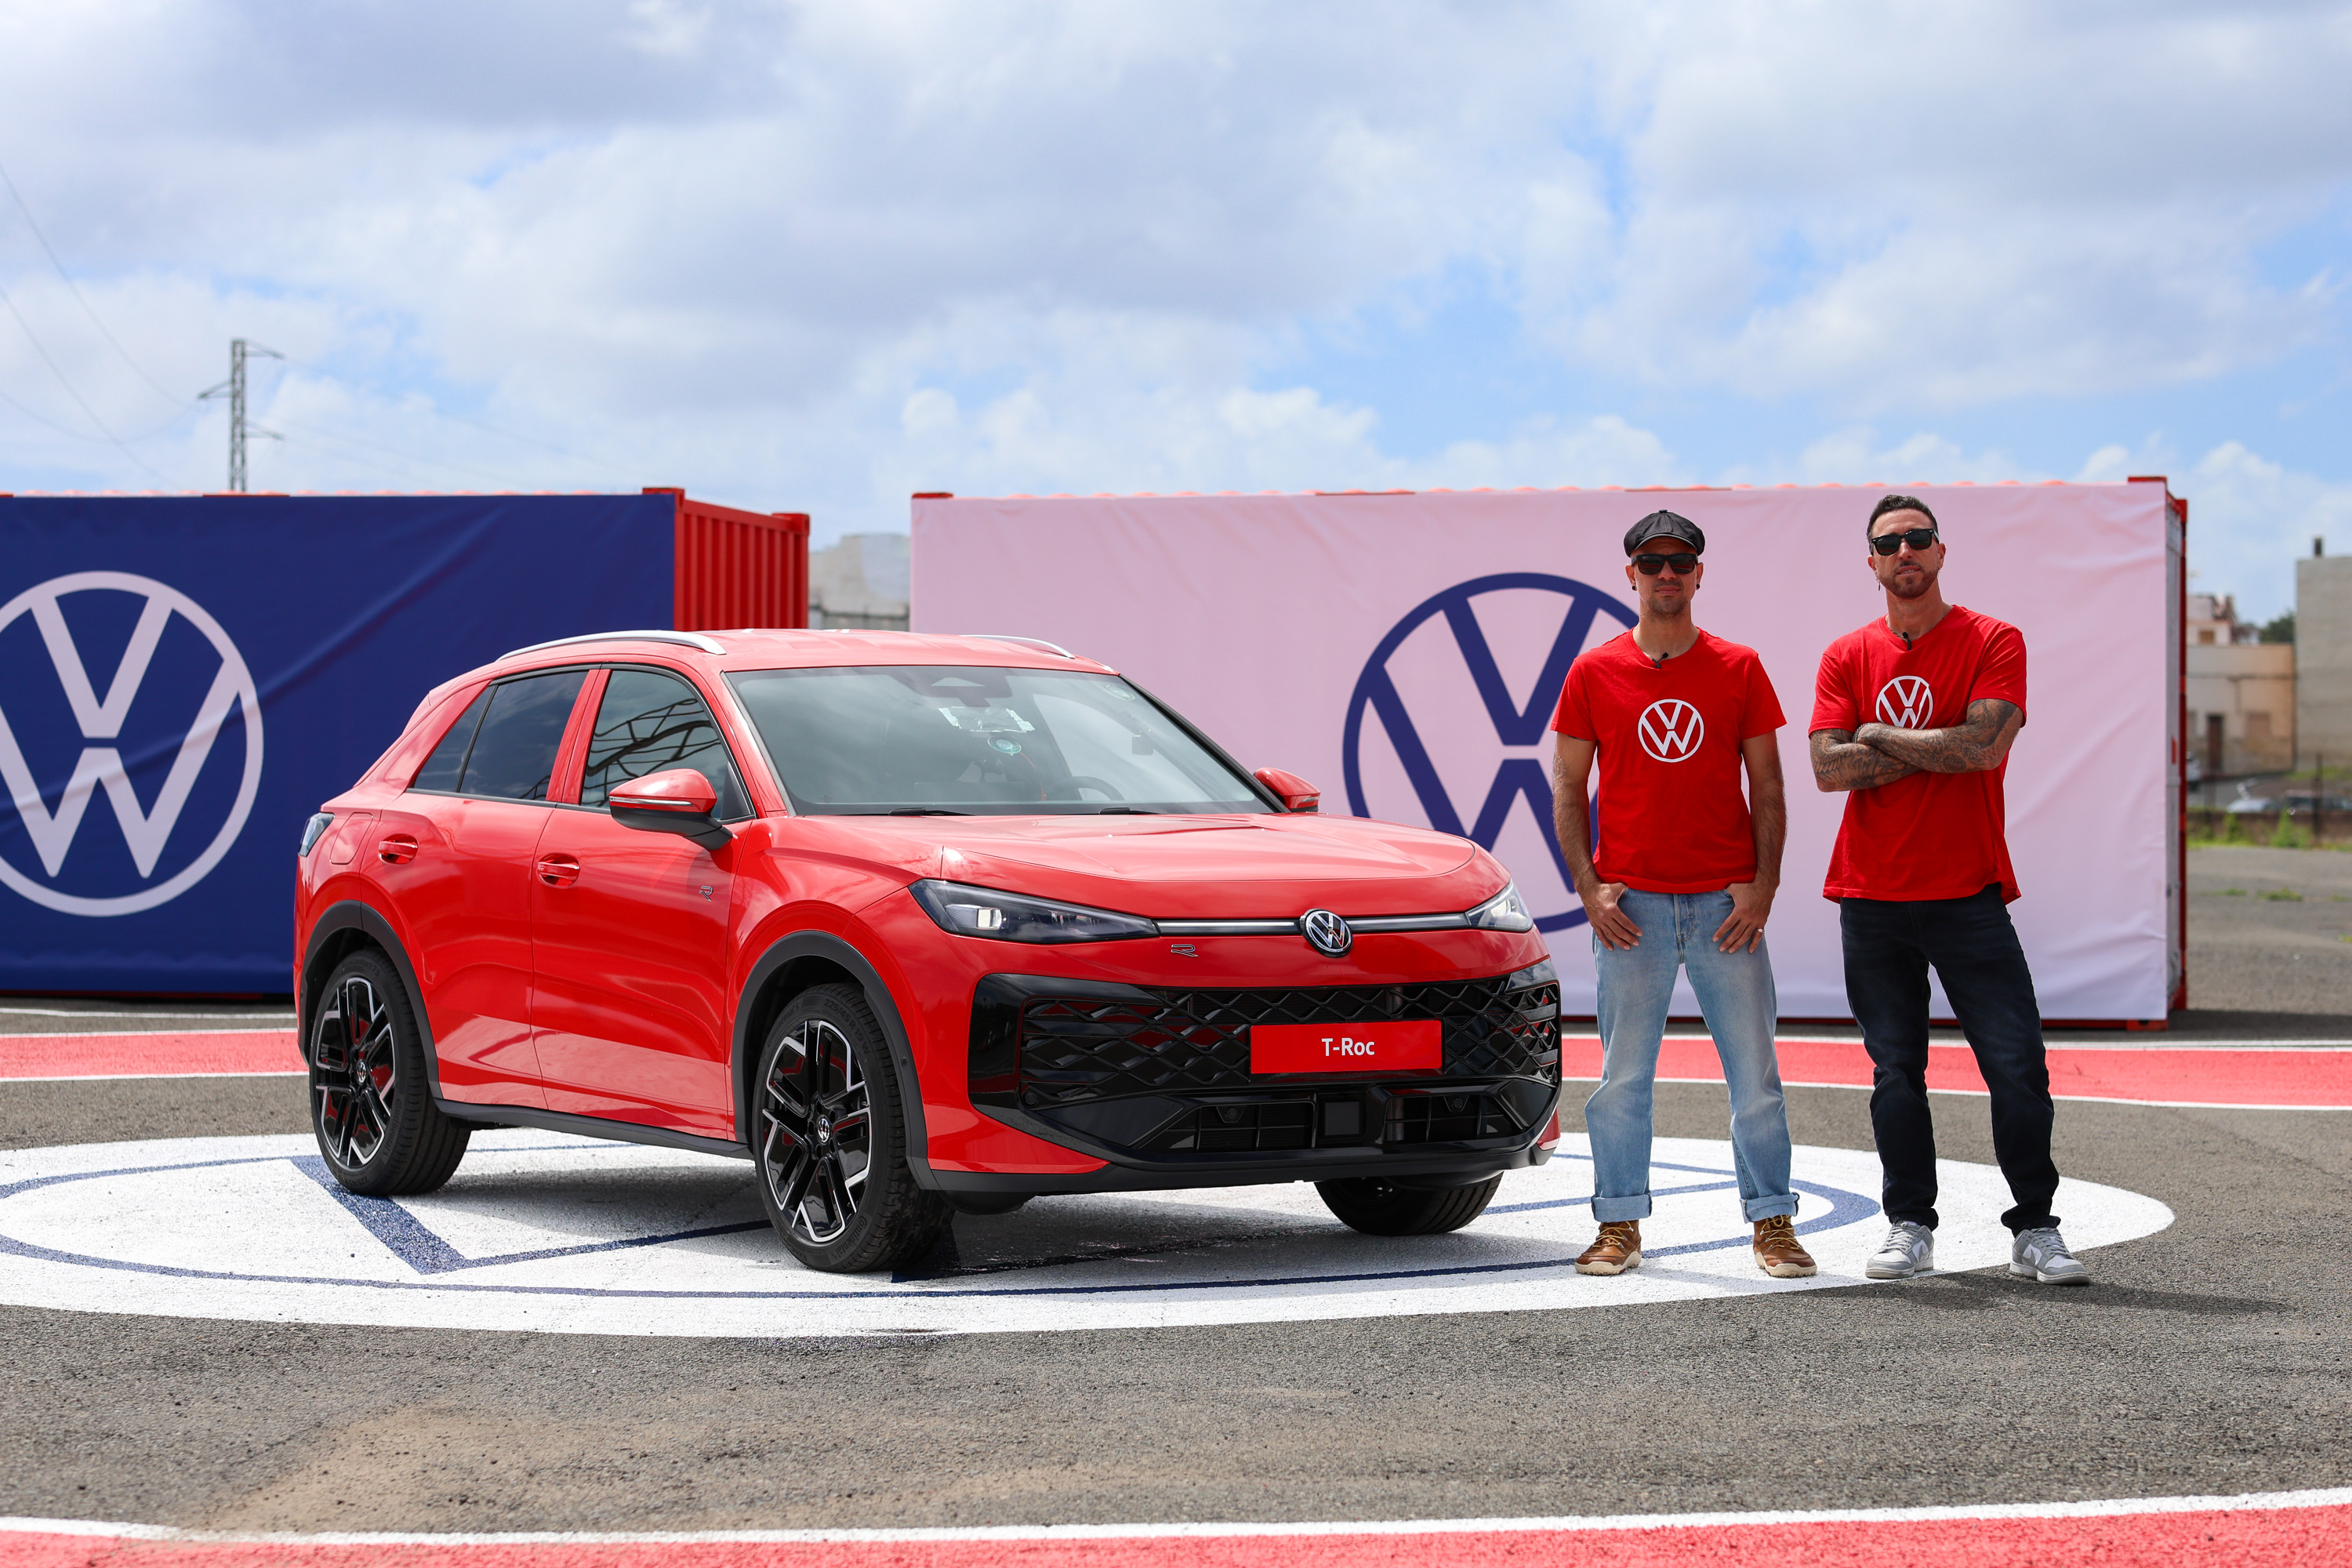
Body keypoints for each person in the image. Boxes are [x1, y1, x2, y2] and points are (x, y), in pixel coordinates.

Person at [1808, 494, 2088, 1286]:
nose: (1905, 551)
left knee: (2017, 1065)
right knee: (1895, 1071)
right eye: (1889, 543)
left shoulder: (1993, 639)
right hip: (1871, 895)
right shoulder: (1845, 655)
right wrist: (1936, 743)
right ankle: (1910, 1224)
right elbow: (1828, 768)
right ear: (1871, 562)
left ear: (1940, 550)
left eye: (1918, 538)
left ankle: (2034, 1227)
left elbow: (1985, 747)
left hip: (1968, 891)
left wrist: (1877, 733)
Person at [1549, 509, 1813, 1280]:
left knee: (1755, 1078)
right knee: (1622, 1081)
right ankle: (1618, 1223)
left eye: (1680, 560)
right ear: (1630, 572)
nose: (1666, 573)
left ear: (1700, 572)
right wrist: (1590, 889)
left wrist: (1763, 888)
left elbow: (1769, 784)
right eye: (1652, 561)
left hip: (1727, 909)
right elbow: (1568, 785)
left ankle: (1772, 1222)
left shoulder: (1739, 667)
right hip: (1631, 911)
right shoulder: (1592, 672)